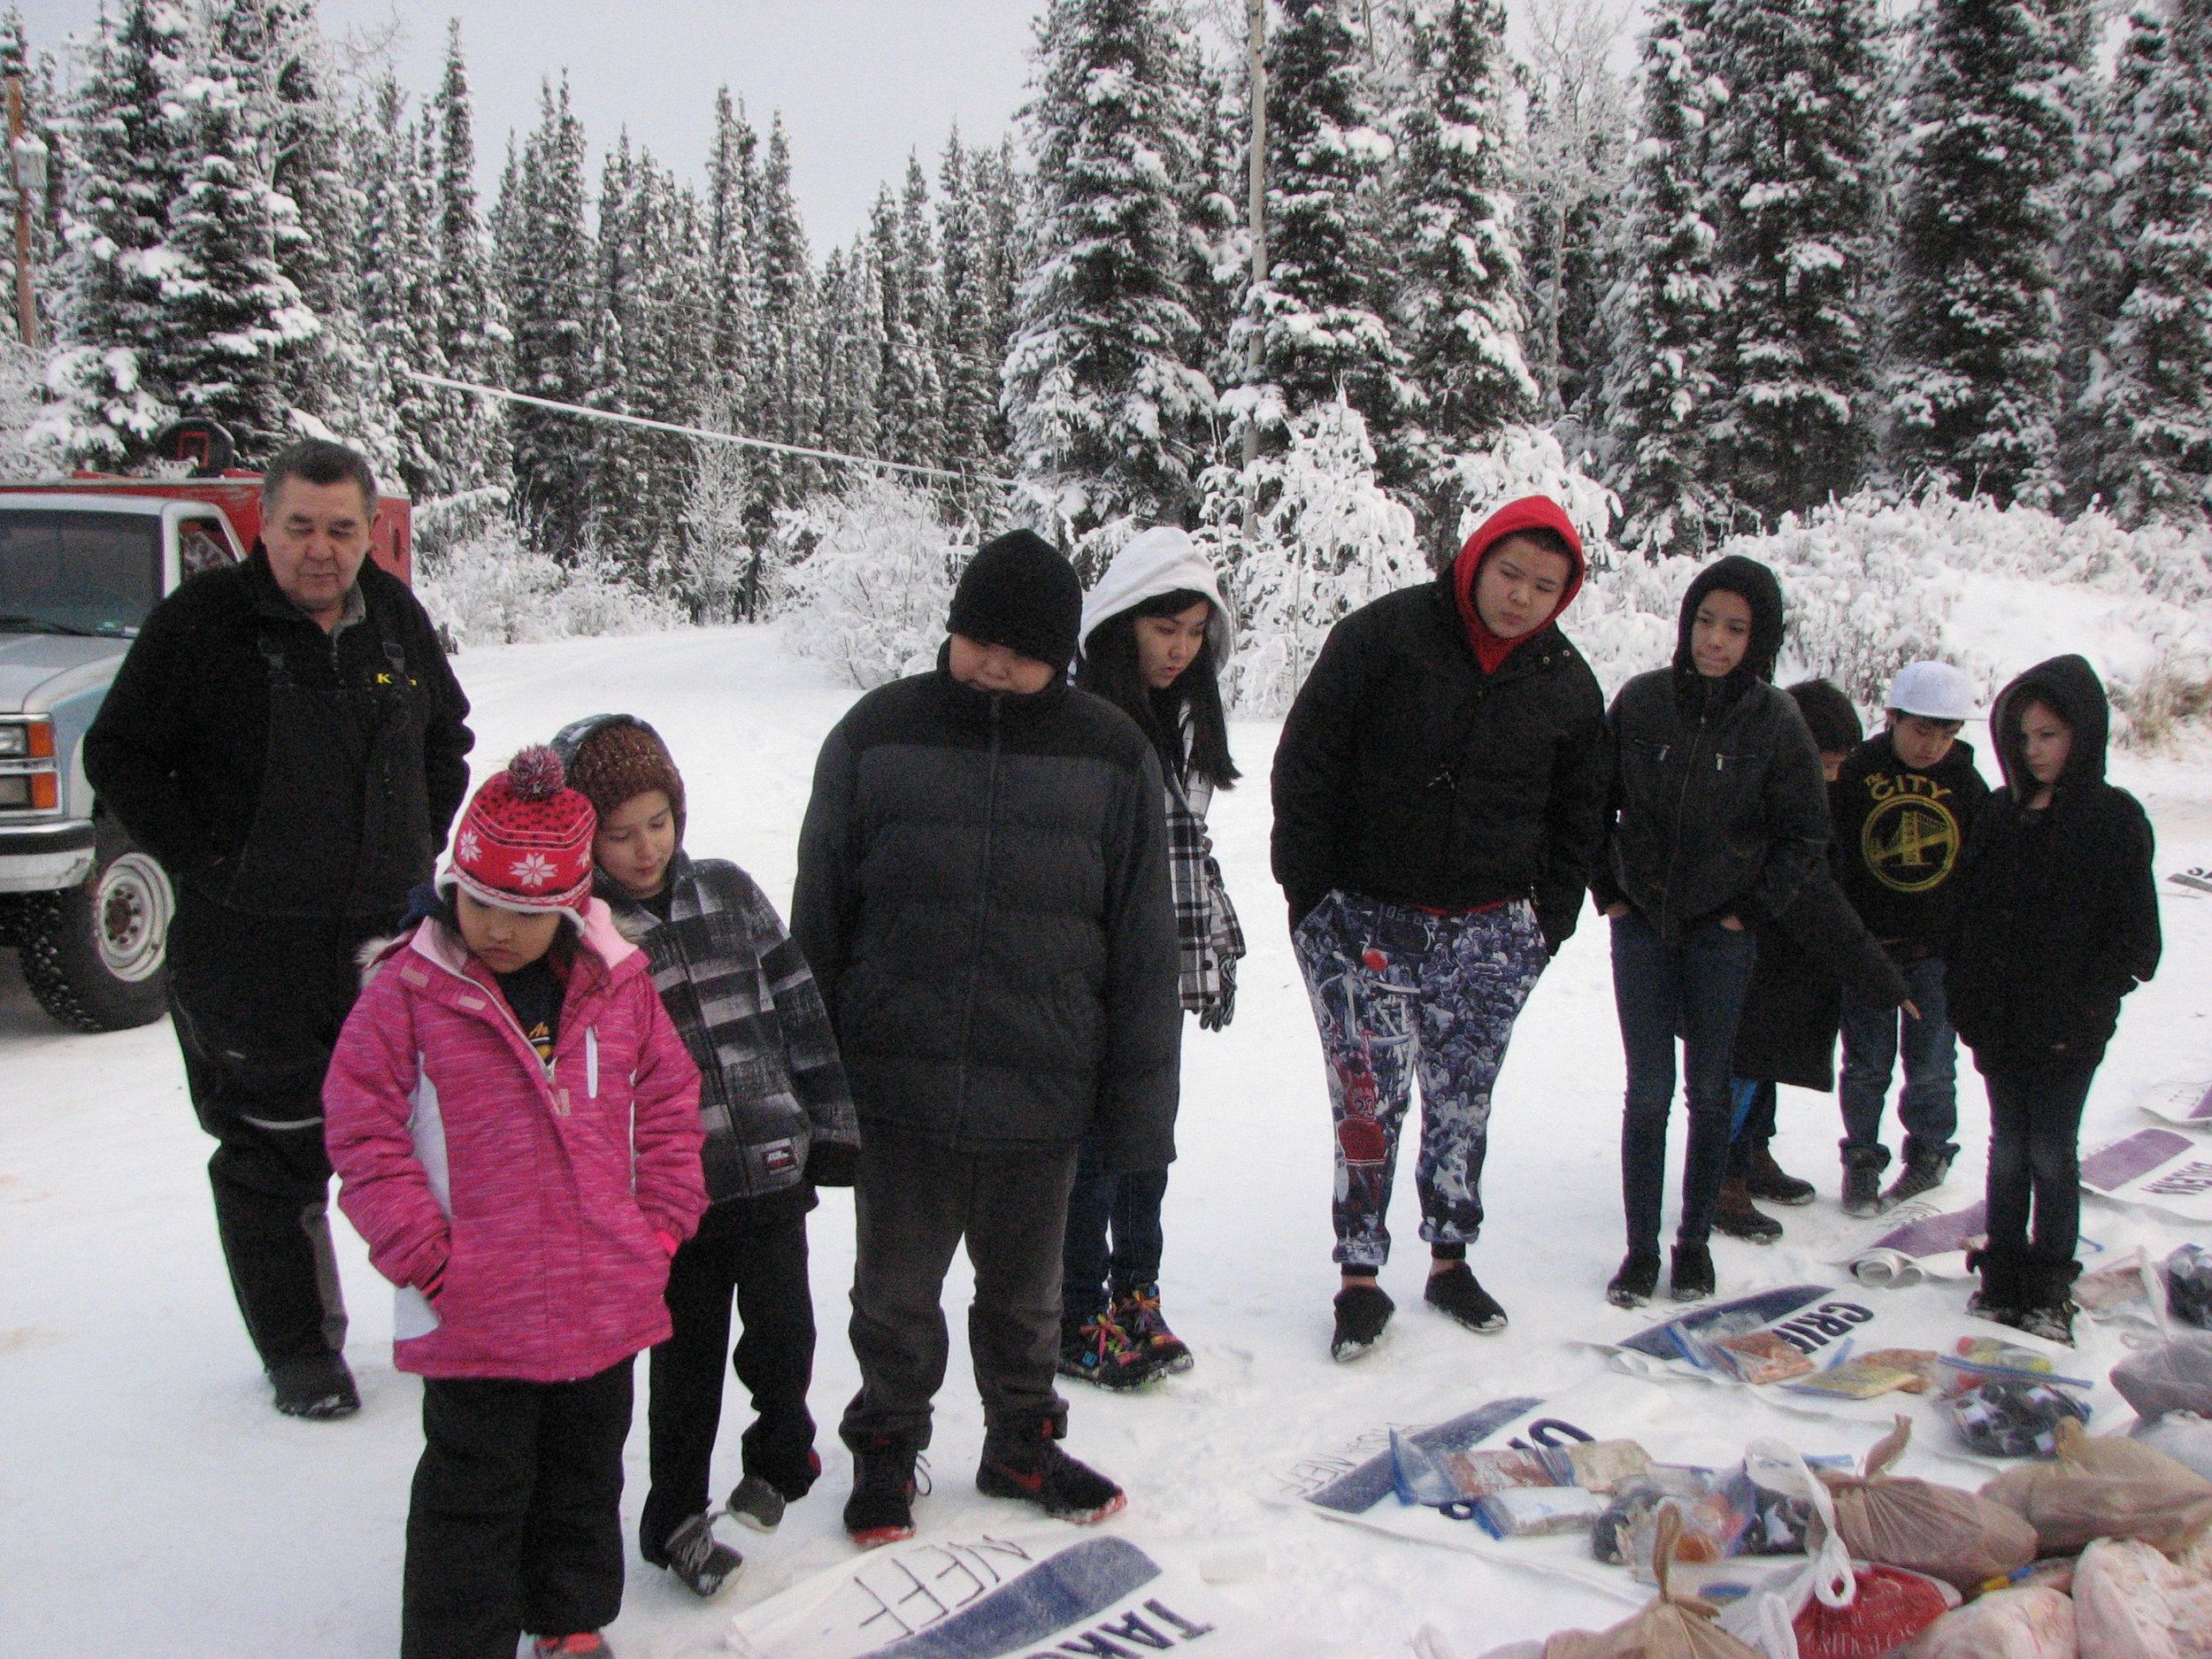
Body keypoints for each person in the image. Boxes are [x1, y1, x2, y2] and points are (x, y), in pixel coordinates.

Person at [791, 529, 1180, 1547]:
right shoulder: (876, 735)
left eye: (1022, 648)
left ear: (1063, 653)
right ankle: (885, 1448)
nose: (994, 664)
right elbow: (818, 921)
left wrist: (1138, 1118)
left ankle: (1021, 1443)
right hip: (899, 1088)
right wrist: (810, 1088)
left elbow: (1144, 952)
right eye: (977, 638)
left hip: (1043, 1091)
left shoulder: (1109, 754)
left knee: (1027, 1304)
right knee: (893, 1297)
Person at [82, 438, 472, 1419]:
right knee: (273, 1148)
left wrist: (417, 842)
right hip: (248, 947)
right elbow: (118, 751)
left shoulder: (392, 618)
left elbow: (447, 737)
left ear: (366, 532)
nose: (321, 550)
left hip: (387, 940)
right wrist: (206, 862)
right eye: (300, 526)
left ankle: (459, 1328)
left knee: (418, 1136)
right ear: (267, 523)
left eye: (343, 530)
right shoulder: (205, 623)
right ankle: (302, 1352)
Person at [324, 748, 706, 1659]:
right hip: (474, 1306)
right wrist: (428, 1257)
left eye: (527, 914)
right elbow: (363, 1137)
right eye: (481, 901)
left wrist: (655, 1230)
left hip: (601, 1293)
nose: (498, 930)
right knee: (473, 1489)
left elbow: (668, 1107)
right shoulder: (408, 998)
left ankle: (568, 1620)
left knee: (581, 1474)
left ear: (571, 908)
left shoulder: (618, 990)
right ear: (452, 884)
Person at [1273, 497, 1609, 1360]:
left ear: (1564, 593)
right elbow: (1308, 762)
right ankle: (1359, 1277)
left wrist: (1548, 922)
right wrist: (1309, 898)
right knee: (1365, 1103)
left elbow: (1580, 814)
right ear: (1474, 559)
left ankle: (1449, 1259)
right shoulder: (1383, 639)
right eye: (1509, 574)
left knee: (1463, 1101)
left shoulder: (1566, 686)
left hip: (1492, 934)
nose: (1520, 598)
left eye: (1544, 585)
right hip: (1362, 924)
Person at [550, 713, 859, 1599]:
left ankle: (778, 1452)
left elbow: (798, 1002)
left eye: (659, 821)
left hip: (768, 1163)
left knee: (787, 1332)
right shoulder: (584, 938)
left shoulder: (728, 892)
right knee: (683, 1371)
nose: (646, 847)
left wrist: (829, 1124)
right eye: (620, 832)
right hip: (671, 1200)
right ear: (586, 836)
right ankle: (675, 1521)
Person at [1594, 555, 1830, 1308]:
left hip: (1722, 936)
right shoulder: (1642, 701)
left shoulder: (1776, 721)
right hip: (1642, 928)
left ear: (1758, 638)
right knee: (1648, 1092)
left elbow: (1804, 834)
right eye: (1704, 621)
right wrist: (1612, 893)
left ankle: (1691, 1244)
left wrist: (1748, 910)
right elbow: (1590, 802)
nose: (1715, 641)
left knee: (1709, 1090)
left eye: (1735, 628)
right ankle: (1639, 1251)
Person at [1058, 527, 1244, 1390]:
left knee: (1147, 1137)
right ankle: (1077, 1311)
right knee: (1093, 1142)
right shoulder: (1082, 719)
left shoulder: (1186, 713)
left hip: (1163, 955)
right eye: (1163, 627)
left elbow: (1189, 838)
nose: (1179, 649)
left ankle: (1137, 1293)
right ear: (1122, 621)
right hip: (1094, 957)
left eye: (1195, 630)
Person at [1947, 656, 2160, 1345]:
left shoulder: (2113, 820)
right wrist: (1967, 1000)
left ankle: (2049, 1284)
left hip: (2068, 1028)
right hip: (2001, 1025)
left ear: (2083, 733)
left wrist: (2090, 1008)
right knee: (2008, 1147)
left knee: (2052, 1151)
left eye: (2050, 734)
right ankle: (2002, 1269)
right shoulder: (1998, 813)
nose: (2035, 750)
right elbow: (1967, 915)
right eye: (2025, 736)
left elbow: (2136, 942)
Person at [1717, 680, 1910, 1245]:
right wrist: (1872, 969)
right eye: (1823, 764)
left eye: (1838, 765)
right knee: (1741, 1069)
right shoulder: (1758, 800)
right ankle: (1721, 1175)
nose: (1832, 776)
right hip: (1747, 956)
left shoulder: (1819, 795)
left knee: (1768, 1062)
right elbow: (1807, 888)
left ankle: (1754, 1153)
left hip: (1791, 962)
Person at [1830, 660, 1990, 1216]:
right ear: (1892, 717)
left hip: (1935, 955)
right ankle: (1862, 1160)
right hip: (1870, 950)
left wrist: (1967, 941)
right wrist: (1848, 937)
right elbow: (1835, 856)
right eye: (1921, 729)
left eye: (1946, 733)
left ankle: (1928, 1154)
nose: (1931, 745)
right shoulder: (1857, 774)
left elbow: (1980, 868)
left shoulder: (1968, 786)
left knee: (1931, 1066)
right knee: (1866, 1063)